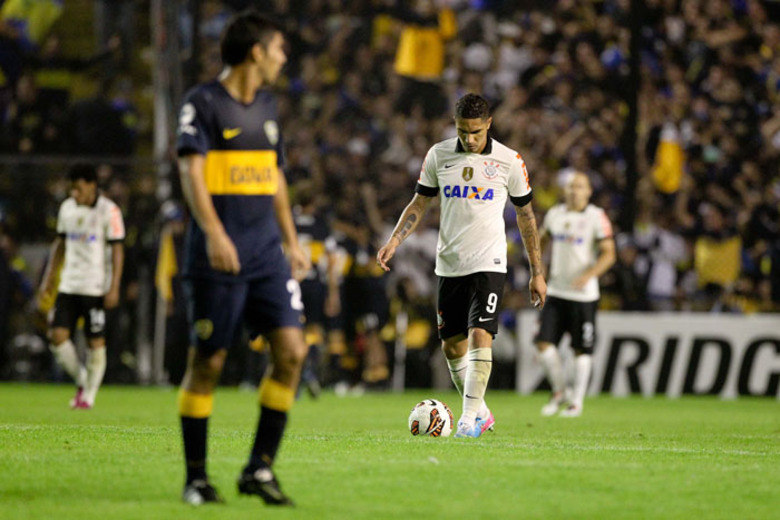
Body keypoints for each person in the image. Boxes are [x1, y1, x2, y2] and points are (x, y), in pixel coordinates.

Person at [175, 11, 309, 507]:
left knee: (292, 352)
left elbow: (273, 178)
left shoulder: (269, 107)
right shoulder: (203, 103)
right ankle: (195, 478)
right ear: (257, 51)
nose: (283, 58)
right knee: (207, 362)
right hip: (219, 254)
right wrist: (213, 232)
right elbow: (191, 172)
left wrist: (292, 241)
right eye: (278, 48)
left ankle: (259, 468)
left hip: (265, 254)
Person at [377, 93, 547, 438]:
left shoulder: (509, 161)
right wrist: (395, 240)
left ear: (488, 124)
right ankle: (481, 412)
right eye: (462, 131)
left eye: (475, 132)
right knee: (452, 346)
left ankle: (468, 421)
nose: (469, 139)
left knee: (480, 334)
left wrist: (537, 272)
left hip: (489, 261)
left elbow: (526, 215)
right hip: (449, 262)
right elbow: (419, 202)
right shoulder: (439, 155)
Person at [36, 163, 125, 409]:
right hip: (68, 284)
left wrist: (114, 285)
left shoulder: (110, 211)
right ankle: (83, 379)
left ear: (92, 185)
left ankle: (89, 396)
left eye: (78, 189)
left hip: (95, 287)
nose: (75, 194)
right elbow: (60, 245)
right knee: (57, 336)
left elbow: (117, 249)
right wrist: (48, 279)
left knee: (95, 342)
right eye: (72, 189)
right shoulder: (67, 209)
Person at [535, 172, 615, 418]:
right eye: (570, 187)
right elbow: (539, 240)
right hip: (557, 290)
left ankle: (576, 403)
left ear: (589, 191)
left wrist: (590, 274)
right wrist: (539, 268)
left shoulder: (596, 216)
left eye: (579, 186)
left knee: (582, 350)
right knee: (543, 344)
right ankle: (560, 392)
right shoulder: (554, 214)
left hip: (584, 296)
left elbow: (609, 253)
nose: (574, 191)